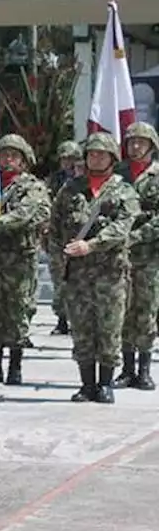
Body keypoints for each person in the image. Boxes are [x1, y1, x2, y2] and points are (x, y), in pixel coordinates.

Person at [50, 132, 139, 404]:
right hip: (77, 275)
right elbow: (55, 226)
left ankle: (105, 383)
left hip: (110, 274)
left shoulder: (124, 190)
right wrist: (60, 256)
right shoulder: (71, 189)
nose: (95, 157)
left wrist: (92, 245)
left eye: (101, 154)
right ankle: (86, 384)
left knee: (109, 328)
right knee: (82, 329)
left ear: (112, 158)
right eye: (91, 153)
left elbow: (123, 226)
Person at [0, 135, 51, 386]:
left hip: (19, 259)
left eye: (13, 156)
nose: (7, 160)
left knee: (17, 311)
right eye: (4, 155)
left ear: (24, 160)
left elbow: (26, 212)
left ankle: (15, 368)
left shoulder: (32, 186)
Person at [110, 122, 159, 391]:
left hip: (149, 256)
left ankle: (144, 370)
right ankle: (126, 369)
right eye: (131, 142)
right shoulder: (117, 175)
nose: (135, 146)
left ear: (152, 145)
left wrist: (137, 236)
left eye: (141, 142)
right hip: (118, 255)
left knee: (146, 311)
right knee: (123, 310)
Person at [45, 140, 84, 336]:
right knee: (59, 280)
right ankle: (62, 319)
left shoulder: (84, 180)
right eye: (63, 159)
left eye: (71, 159)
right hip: (58, 237)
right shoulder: (54, 180)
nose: (66, 163)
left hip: (81, 237)